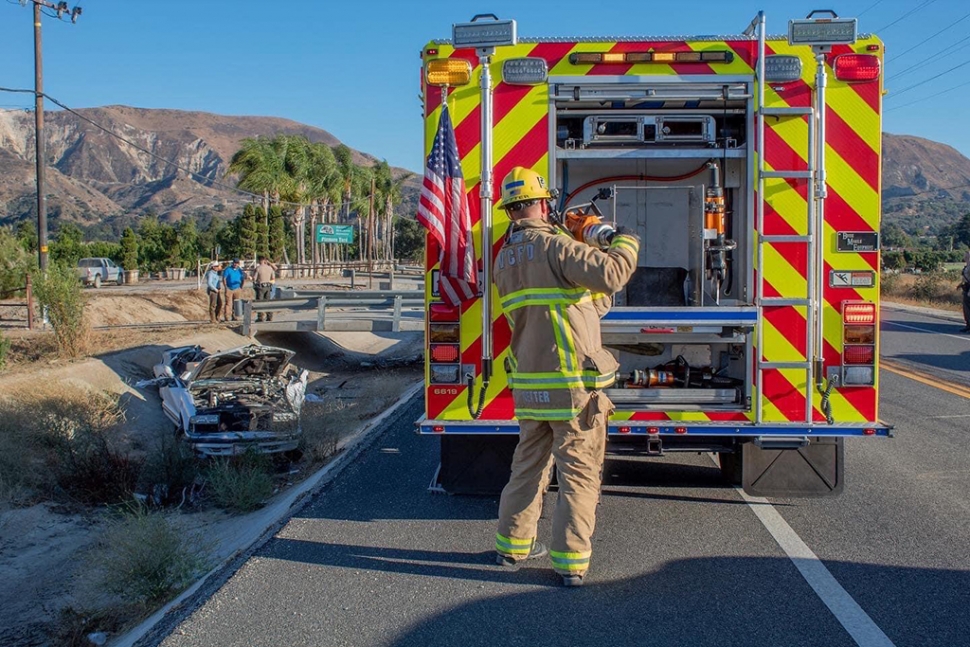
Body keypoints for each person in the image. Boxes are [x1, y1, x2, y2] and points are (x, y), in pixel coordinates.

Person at [491, 167, 639, 587]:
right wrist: (618, 236)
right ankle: (570, 563)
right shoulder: (557, 248)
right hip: (572, 386)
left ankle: (511, 547)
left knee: (527, 469)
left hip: (531, 387)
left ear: (510, 209)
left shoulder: (505, 259)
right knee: (578, 473)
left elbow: (585, 304)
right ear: (543, 203)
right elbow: (611, 275)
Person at [251, 256, 278, 322]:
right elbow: (273, 277)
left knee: (259, 302)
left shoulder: (258, 268)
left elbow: (254, 278)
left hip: (260, 287)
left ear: (259, 261)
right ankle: (269, 316)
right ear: (265, 260)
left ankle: (260, 317)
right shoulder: (270, 268)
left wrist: (252, 279)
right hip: (268, 287)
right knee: (268, 302)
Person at [959, 251, 970, 333]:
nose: (965, 258)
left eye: (966, 256)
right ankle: (968, 324)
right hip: (966, 288)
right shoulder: (966, 266)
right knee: (966, 308)